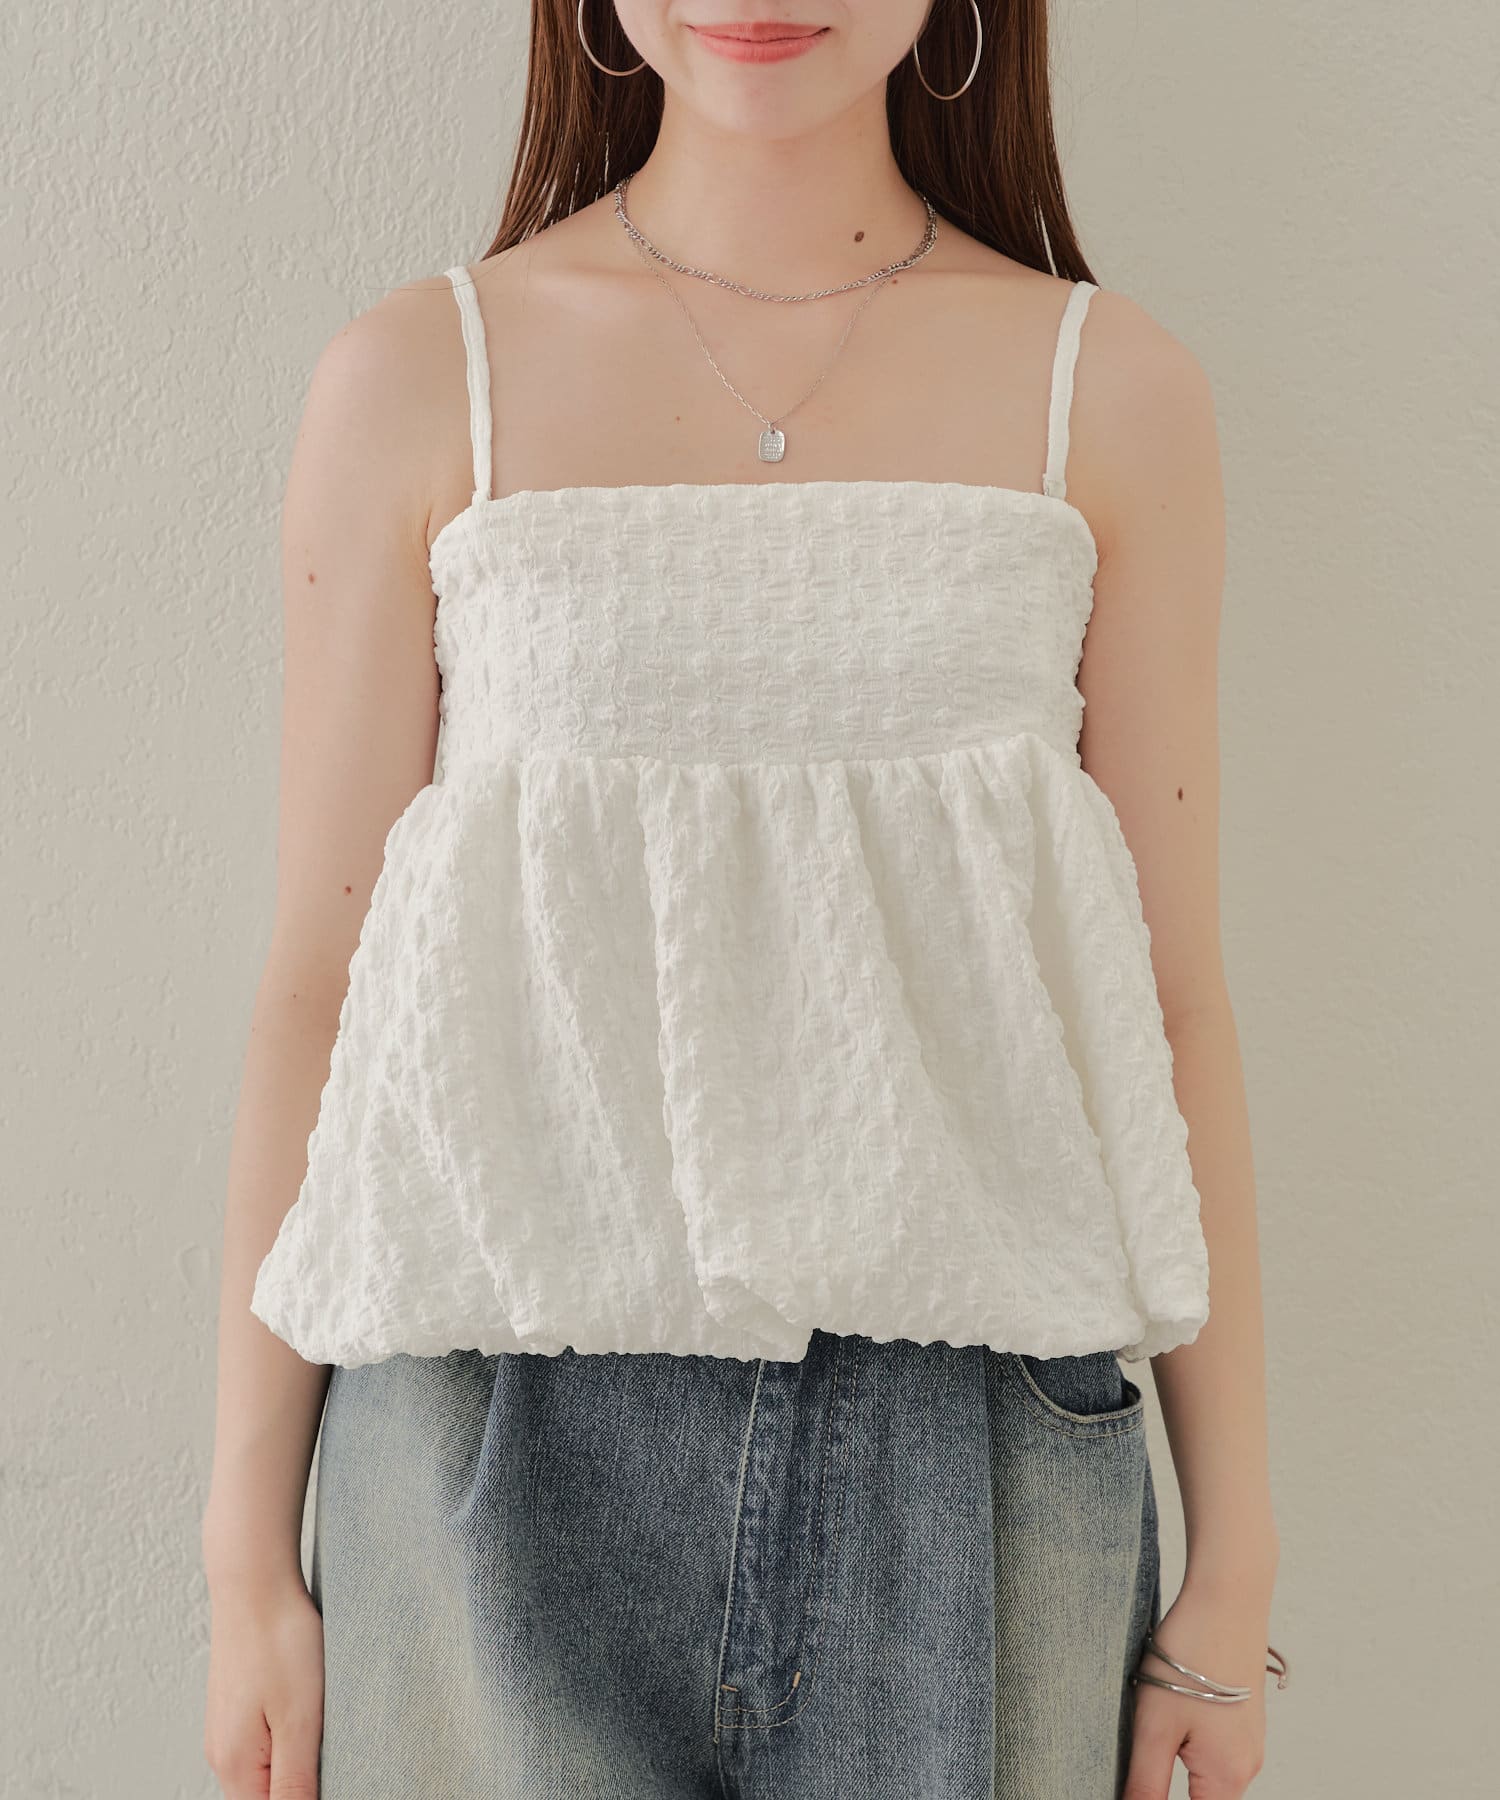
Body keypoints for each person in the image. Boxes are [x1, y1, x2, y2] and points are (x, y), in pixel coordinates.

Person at [200, 4, 1286, 1796]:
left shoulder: (1108, 391)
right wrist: (246, 1558)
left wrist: (1234, 1565)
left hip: (978, 1437)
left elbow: (1174, 1004)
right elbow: (319, 984)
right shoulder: (419, 379)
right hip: (485, 1424)